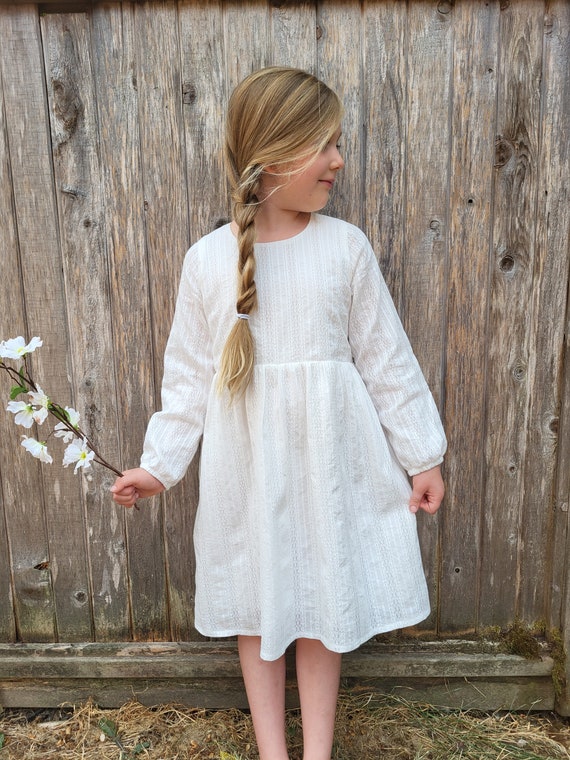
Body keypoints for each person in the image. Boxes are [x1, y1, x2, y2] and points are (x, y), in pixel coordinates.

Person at [111, 66, 446, 760]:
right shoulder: (207, 262)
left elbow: (386, 357)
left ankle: (316, 751)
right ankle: (273, 750)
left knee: (326, 600)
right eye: (322, 145)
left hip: (331, 460)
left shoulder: (344, 248)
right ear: (271, 154)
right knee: (255, 600)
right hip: (250, 465)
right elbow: (189, 377)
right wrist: (159, 466)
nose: (338, 160)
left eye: (338, 143)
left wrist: (422, 453)